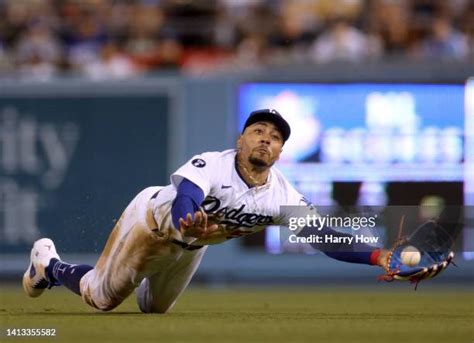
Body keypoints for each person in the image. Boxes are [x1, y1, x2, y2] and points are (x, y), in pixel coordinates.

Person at [23, 109, 388, 313]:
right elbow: (186, 197)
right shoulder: (213, 164)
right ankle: (49, 264)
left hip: (191, 247)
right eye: (258, 130)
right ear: (240, 140)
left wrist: (378, 256)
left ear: (280, 153)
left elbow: (323, 236)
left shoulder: (281, 194)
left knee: (154, 311)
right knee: (100, 299)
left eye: (275, 137)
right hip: (151, 225)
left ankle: (134, 275)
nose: (266, 138)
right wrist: (187, 218)